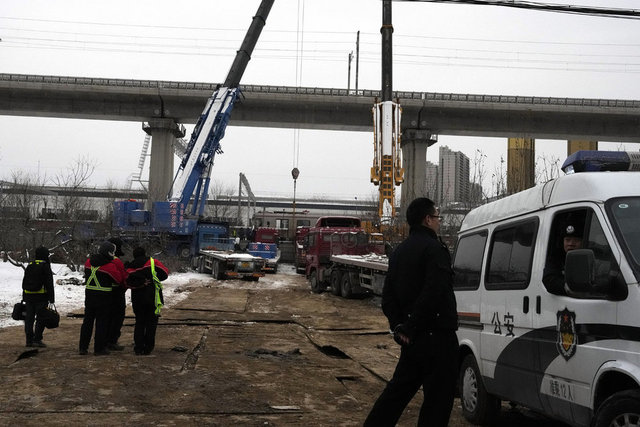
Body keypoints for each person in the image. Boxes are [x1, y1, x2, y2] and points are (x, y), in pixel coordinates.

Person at [364, 197, 458, 427]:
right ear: (427, 220)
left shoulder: (399, 252)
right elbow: (434, 293)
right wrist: (411, 326)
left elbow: (388, 297)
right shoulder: (435, 249)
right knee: (437, 403)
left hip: (412, 341)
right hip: (438, 339)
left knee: (395, 395)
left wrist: (400, 327)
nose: (439, 222)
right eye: (437, 217)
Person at [79, 241, 127, 356]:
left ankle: (83, 347)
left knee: (87, 322)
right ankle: (99, 349)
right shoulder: (109, 266)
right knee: (101, 323)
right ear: (110, 253)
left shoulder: (88, 262)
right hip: (104, 297)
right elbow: (118, 279)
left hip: (89, 296)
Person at [125, 246, 169, 355]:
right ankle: (148, 347)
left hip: (138, 298)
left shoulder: (130, 266)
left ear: (134, 255)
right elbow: (165, 273)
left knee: (139, 322)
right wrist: (155, 279)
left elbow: (127, 282)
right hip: (152, 297)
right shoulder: (153, 262)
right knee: (151, 323)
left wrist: (140, 283)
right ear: (145, 253)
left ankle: (138, 347)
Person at [21, 246, 55, 348]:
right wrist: (52, 299)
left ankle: (29, 340)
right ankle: (37, 339)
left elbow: (25, 282)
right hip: (41, 297)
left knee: (29, 319)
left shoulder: (30, 265)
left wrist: (24, 297)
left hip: (29, 297)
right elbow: (49, 283)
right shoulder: (45, 266)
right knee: (41, 318)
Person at [542, 220, 584, 295]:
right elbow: (548, 280)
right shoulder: (556, 258)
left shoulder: (589, 257)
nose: (571, 244)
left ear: (583, 242)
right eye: (567, 240)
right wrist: (567, 286)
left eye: (576, 240)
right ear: (563, 242)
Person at [106, 237, 127, 351]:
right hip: (117, 293)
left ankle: (104, 339)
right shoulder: (116, 261)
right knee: (117, 318)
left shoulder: (101, 258)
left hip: (104, 293)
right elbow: (122, 278)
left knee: (106, 317)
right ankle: (112, 341)